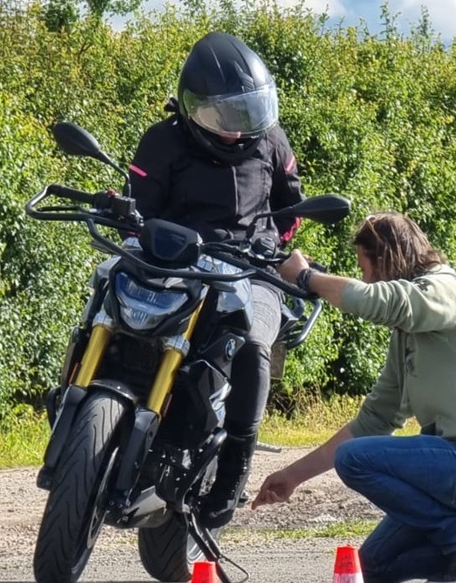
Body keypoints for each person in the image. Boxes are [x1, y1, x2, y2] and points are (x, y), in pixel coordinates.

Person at [252, 212, 456, 583]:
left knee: (355, 458)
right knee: (371, 569)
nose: (365, 279)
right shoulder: (408, 334)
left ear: (387, 259)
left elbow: (379, 301)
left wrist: (305, 278)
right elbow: (375, 419)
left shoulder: (448, 290)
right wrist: (291, 476)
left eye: (366, 268)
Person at [129, 31, 304, 530]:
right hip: (176, 263)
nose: (234, 130)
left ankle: (232, 473)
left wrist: (266, 249)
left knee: (252, 345)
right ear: (191, 108)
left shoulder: (270, 140)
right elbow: (138, 206)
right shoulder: (163, 140)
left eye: (245, 114)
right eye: (221, 117)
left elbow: (289, 211)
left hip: (253, 268)